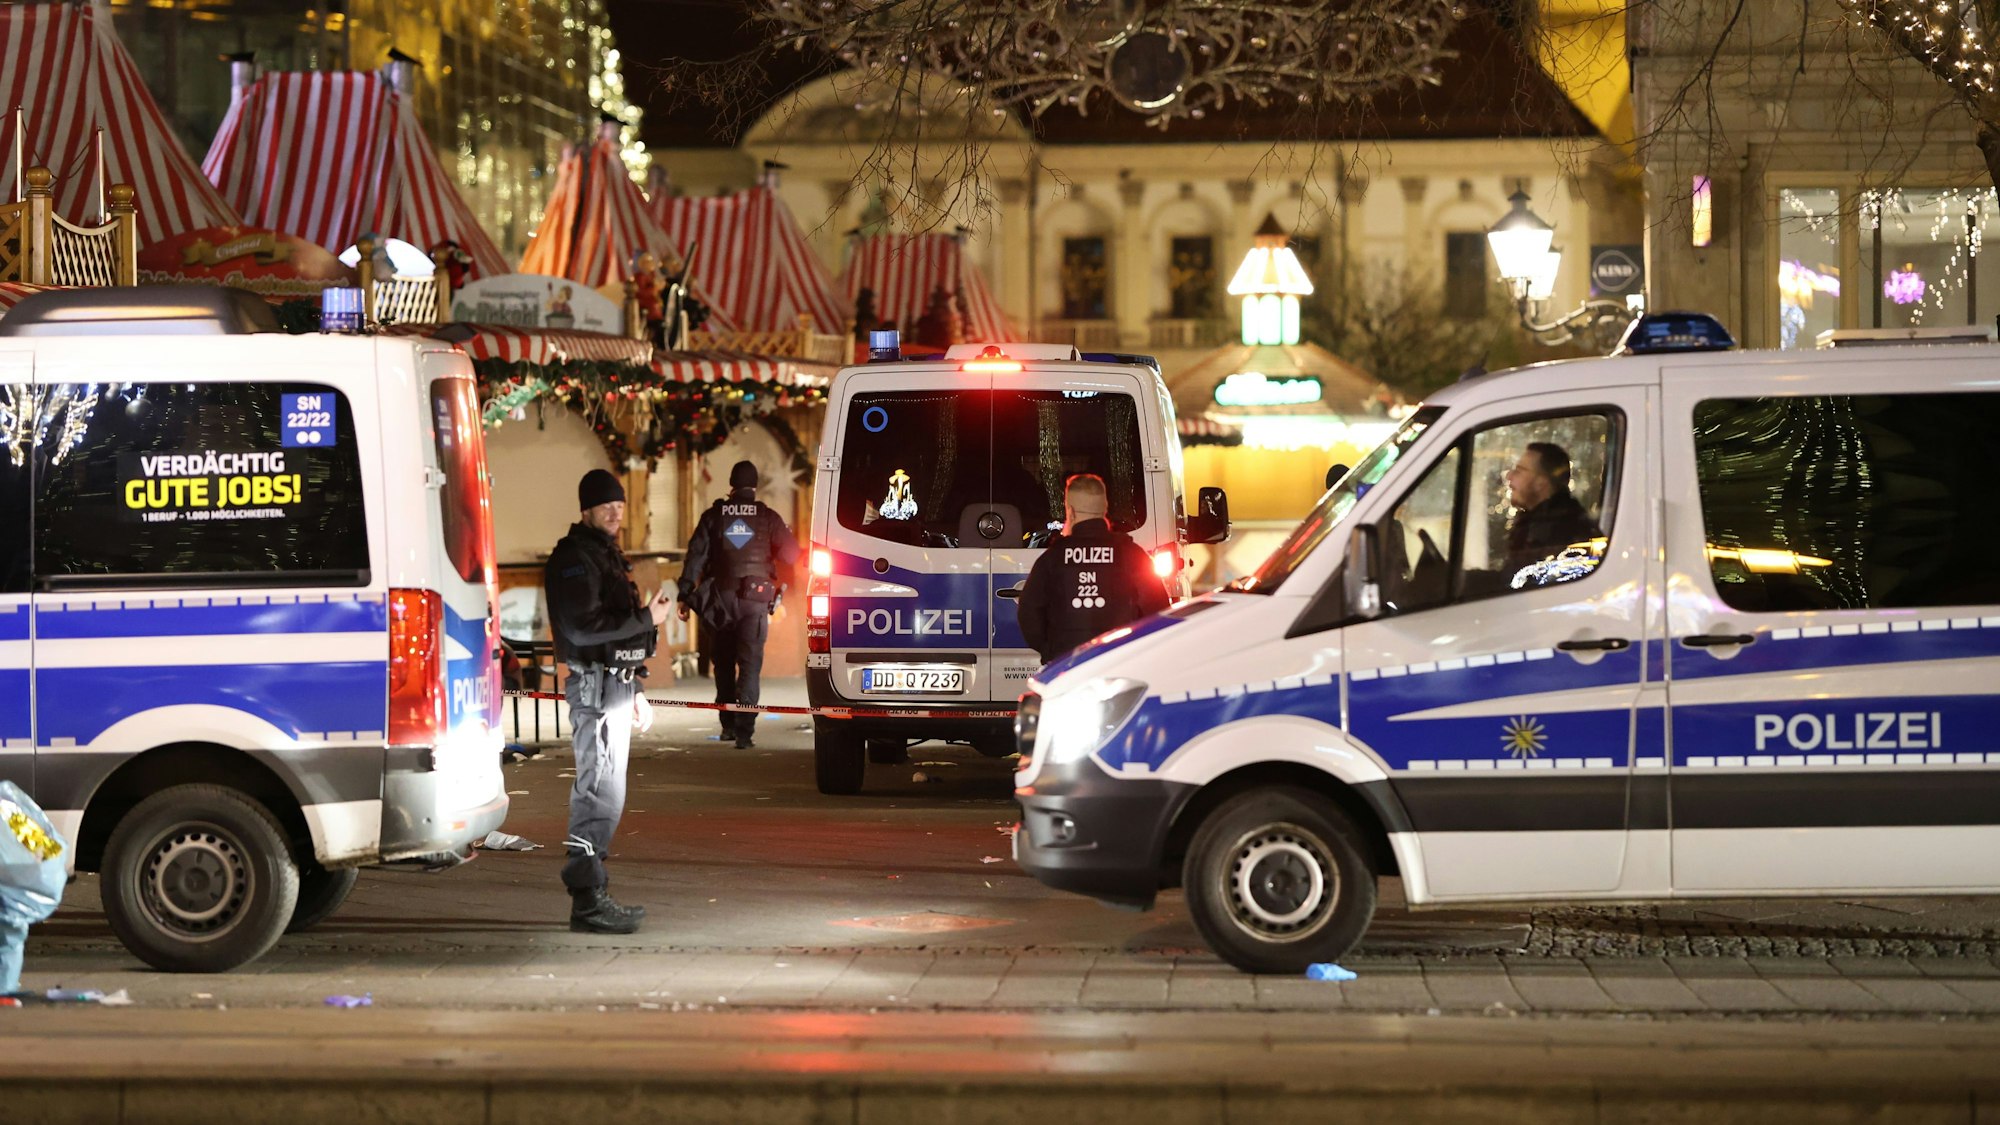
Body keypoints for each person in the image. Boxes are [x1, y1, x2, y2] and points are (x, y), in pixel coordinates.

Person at [544, 468, 671, 934]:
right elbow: (582, 628)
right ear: (586, 509)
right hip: (595, 688)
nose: (615, 512)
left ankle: (593, 887)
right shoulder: (574, 559)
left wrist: (636, 687)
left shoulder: (606, 555)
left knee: (609, 792)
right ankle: (586, 896)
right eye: (606, 505)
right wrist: (646, 617)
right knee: (598, 790)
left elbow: (615, 628)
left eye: (619, 504)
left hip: (613, 685)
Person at [680, 460, 800, 748]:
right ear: (755, 487)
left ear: (731, 486)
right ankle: (745, 733)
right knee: (749, 665)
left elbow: (695, 554)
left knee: (722, 664)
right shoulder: (768, 517)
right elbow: (792, 555)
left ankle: (728, 726)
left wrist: (684, 594)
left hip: (719, 601)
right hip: (754, 601)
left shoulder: (714, 515)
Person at [1016, 474, 1171, 666]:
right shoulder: (1132, 555)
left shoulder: (1052, 558)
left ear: (1070, 512)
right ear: (1105, 508)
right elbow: (1159, 609)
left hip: (1067, 667)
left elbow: (1029, 613)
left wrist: (1052, 650)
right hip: (1119, 666)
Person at [1501, 441, 1600, 575]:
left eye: (1519, 471)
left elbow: (1517, 583)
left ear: (1541, 483)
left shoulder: (1558, 531)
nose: (1509, 476)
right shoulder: (1537, 522)